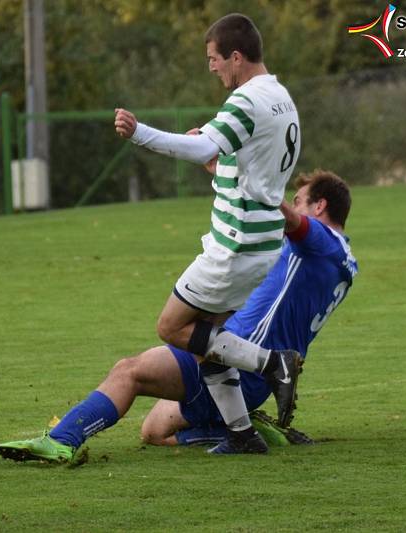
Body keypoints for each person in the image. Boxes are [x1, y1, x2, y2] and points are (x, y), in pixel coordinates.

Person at [0, 170, 357, 461]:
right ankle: (240, 428)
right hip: (245, 374)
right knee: (153, 431)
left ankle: (62, 440)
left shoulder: (319, 241)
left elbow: (284, 216)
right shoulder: (345, 260)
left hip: (242, 359)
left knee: (130, 370)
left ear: (320, 205)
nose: (293, 205)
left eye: (300, 199)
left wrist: (248, 177)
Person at [114, 13, 303, 444]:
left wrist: (139, 132)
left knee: (171, 328)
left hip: (233, 247)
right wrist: (218, 165)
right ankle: (241, 434)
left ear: (236, 57)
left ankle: (275, 364)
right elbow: (254, 174)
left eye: (214, 59)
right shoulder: (280, 96)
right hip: (263, 241)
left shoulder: (247, 101)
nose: (212, 67)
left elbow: (202, 145)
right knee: (204, 341)